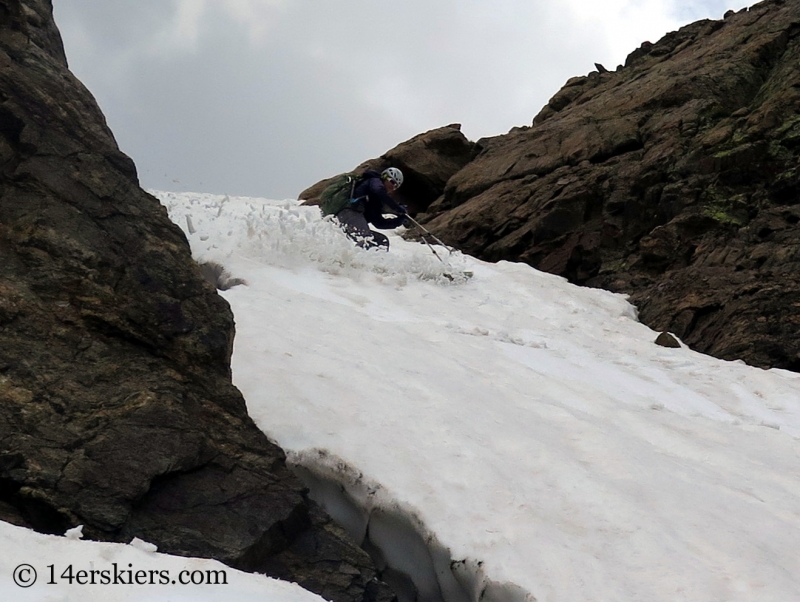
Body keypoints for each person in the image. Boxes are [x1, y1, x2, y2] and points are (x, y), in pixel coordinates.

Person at [334, 167, 408, 249]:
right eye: (392, 182)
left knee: (382, 241)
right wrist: (397, 208)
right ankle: (357, 261)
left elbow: (378, 222)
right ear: (385, 177)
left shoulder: (376, 199)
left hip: (353, 218)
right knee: (367, 240)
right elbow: (378, 190)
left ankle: (374, 260)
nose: (393, 187)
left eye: (396, 186)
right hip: (348, 213)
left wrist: (398, 221)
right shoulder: (375, 181)